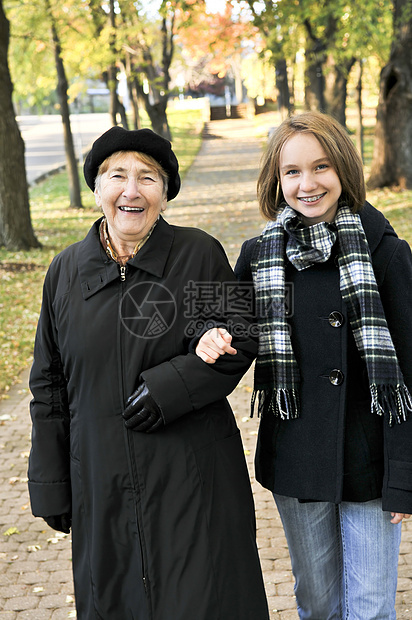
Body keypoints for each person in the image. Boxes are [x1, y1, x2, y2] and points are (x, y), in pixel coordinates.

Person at [27, 126, 270, 620]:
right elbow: (48, 383)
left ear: (165, 191)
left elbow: (239, 336)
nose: (131, 191)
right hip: (100, 484)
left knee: (203, 601)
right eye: (117, 176)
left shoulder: (199, 253)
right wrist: (51, 481)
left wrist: (170, 387)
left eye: (148, 177)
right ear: (98, 187)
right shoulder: (65, 271)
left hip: (193, 482)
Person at [196, 111, 412, 619]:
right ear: (276, 179)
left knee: (370, 607)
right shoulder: (259, 255)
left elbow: (408, 372)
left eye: (321, 167)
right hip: (298, 457)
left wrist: (405, 474)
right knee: (317, 605)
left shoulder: (385, 252)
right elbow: (223, 319)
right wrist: (205, 334)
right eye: (292, 171)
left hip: (372, 460)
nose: (308, 183)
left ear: (344, 171)